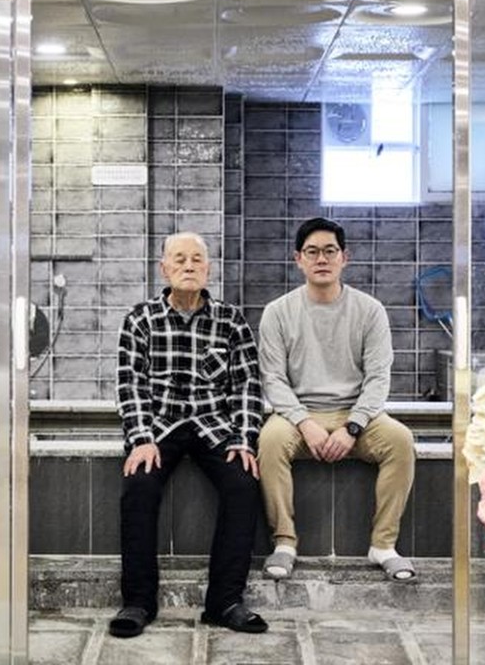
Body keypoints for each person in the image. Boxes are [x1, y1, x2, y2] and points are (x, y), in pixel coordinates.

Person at [110, 231, 269, 638]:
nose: (188, 265)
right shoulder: (140, 320)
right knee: (138, 485)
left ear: (208, 268)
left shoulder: (230, 321)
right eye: (179, 259)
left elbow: (248, 385)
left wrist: (244, 438)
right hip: (160, 426)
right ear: (163, 268)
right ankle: (138, 602)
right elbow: (130, 385)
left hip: (214, 426)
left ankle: (224, 602)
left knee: (243, 483)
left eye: (197, 259)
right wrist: (141, 438)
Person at [257, 217, 417, 582]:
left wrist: (352, 427)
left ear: (345, 257)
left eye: (330, 251)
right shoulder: (278, 312)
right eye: (312, 252)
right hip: (298, 415)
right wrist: (305, 423)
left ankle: (383, 545)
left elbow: (378, 378)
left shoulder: (369, 310)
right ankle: (284, 541)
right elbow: (273, 379)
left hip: (356, 414)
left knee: (400, 440)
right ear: (298, 259)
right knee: (269, 440)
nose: (321, 259)